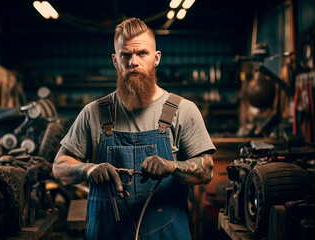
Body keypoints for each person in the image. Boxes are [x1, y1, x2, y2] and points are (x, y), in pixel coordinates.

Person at [52, 17, 215, 240]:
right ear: (115, 60)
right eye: (125, 55)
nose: (133, 62)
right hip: (107, 233)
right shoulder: (94, 113)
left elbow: (206, 170)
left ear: (156, 58)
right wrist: (88, 169)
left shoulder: (183, 110)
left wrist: (171, 166)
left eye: (142, 54)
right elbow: (59, 166)